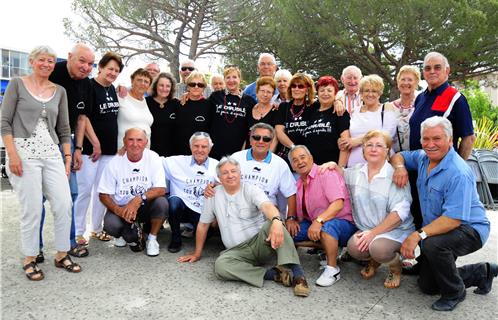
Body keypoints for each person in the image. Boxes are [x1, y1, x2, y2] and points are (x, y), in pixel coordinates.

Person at [392, 116, 496, 311]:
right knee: (428, 286)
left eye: (437, 139)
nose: (430, 144)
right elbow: (399, 156)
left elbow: (453, 220)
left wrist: (417, 235)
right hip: (443, 227)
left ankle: (455, 292)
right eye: (426, 139)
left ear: (450, 139)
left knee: (432, 243)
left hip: (468, 228)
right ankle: (481, 272)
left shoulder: (458, 172)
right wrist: (399, 167)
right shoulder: (423, 157)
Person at [1, 45, 81, 280]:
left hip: (52, 154)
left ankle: (61, 254)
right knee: (32, 208)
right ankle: (29, 257)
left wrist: (67, 158)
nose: (46, 64)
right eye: (41, 60)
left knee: (64, 204)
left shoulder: (59, 91)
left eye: (50, 61)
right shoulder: (17, 84)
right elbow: (4, 122)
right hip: (23, 154)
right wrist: (12, 155)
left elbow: (65, 129)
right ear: (32, 62)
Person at [178, 157, 310, 297]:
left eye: (233, 171)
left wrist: (277, 221)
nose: (230, 175)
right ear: (219, 177)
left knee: (274, 223)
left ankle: (298, 275)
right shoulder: (213, 195)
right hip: (237, 251)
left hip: (262, 244)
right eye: (225, 173)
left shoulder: (251, 189)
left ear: (240, 173)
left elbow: (267, 206)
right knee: (220, 266)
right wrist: (197, 253)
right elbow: (203, 225)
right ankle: (273, 274)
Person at [407, 52, 476, 230]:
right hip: (419, 168)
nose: (432, 72)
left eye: (437, 67)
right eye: (427, 68)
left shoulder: (456, 99)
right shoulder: (421, 98)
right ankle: (423, 257)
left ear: (447, 70)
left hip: (441, 172)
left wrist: (455, 165)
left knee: (438, 220)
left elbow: (468, 137)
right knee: (418, 215)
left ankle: (439, 257)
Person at [340, 130, 414, 289]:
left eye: (379, 145)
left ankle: (395, 266)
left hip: (395, 229)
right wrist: (331, 165)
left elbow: (399, 213)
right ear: (363, 151)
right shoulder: (355, 172)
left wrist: (373, 234)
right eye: (369, 145)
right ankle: (374, 260)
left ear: (387, 151)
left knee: (378, 248)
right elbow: (338, 173)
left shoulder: (395, 175)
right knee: (354, 248)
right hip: (367, 229)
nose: (374, 149)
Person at [48, 43, 95, 258]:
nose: (86, 67)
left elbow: (81, 117)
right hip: (44, 142)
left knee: (72, 193)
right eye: (82, 61)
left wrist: (78, 148)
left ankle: (68, 243)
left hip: (68, 142)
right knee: (39, 199)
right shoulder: (51, 73)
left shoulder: (85, 84)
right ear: (69, 57)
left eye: (90, 64)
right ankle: (35, 249)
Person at [288, 145, 356, 287]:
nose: (300, 162)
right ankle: (328, 249)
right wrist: (292, 220)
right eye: (295, 160)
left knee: (327, 227)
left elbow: (338, 204)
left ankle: (333, 269)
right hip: (317, 223)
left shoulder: (325, 173)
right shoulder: (299, 183)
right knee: (289, 232)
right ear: (293, 167)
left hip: (343, 223)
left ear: (311, 158)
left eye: (302, 157)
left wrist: (318, 221)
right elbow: (303, 215)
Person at [73, 52, 123, 245]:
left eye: (117, 71)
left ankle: (96, 229)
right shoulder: (89, 86)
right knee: (84, 190)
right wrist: (95, 142)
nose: (112, 73)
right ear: (100, 67)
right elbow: (82, 118)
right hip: (90, 150)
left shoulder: (112, 90)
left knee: (102, 191)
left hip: (109, 151)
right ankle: (78, 232)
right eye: (110, 68)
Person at [98, 128, 168, 256]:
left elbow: (161, 189)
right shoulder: (114, 162)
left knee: (162, 203)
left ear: (146, 142)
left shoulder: (153, 157)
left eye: (139, 140)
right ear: (124, 141)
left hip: (145, 205)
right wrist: (118, 210)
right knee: (111, 226)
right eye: (130, 140)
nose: (135, 144)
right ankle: (123, 235)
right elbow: (103, 195)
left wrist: (137, 199)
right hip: (122, 207)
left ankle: (152, 239)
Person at [163, 132, 218, 253]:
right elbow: (153, 161)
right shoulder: (176, 161)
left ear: (210, 148)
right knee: (173, 201)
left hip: (202, 211)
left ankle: (194, 230)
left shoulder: (217, 166)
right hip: (181, 207)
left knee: (208, 234)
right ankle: (175, 238)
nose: (199, 150)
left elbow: (226, 188)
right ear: (190, 146)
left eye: (204, 147)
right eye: (196, 146)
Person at [231, 123, 297, 219]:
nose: (261, 141)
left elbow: (291, 193)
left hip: (267, 214)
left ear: (271, 142)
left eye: (266, 139)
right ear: (250, 140)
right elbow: (220, 183)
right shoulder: (236, 158)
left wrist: (291, 218)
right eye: (256, 137)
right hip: (239, 211)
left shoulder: (280, 164)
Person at [341, 74, 399, 167]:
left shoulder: (386, 108)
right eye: (367, 90)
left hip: (379, 164)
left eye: (374, 91)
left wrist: (358, 140)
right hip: (355, 165)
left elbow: (387, 135)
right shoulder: (354, 111)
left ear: (379, 93)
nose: (370, 94)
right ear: (361, 93)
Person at [208, 66, 256, 159]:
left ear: (239, 79)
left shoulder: (249, 101)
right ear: (224, 80)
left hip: (237, 152)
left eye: (234, 77)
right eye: (228, 77)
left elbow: (251, 128)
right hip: (214, 150)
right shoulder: (216, 96)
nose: (231, 80)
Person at [303, 75, 350, 166]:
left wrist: (340, 168)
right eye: (322, 90)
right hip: (311, 169)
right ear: (318, 93)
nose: (325, 93)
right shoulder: (311, 110)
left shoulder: (339, 112)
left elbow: (345, 143)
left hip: (331, 167)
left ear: (335, 93)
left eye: (329, 90)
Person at [275, 73, 315, 163]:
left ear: (307, 90)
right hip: (287, 154)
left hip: (308, 156)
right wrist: (294, 148)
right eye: (293, 86)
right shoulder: (283, 106)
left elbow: (329, 102)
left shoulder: (314, 106)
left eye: (300, 86)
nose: (296, 89)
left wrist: (338, 102)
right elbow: (279, 131)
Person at [173, 71, 211, 155]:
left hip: (199, 155)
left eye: (200, 85)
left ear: (204, 87)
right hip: (178, 153)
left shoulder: (210, 106)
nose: (196, 87)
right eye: (192, 84)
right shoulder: (178, 104)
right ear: (188, 86)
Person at [117, 68, 154, 149]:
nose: (142, 83)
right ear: (132, 80)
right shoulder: (121, 96)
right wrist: (120, 85)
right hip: (124, 151)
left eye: (146, 81)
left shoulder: (145, 101)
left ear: (149, 85)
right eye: (139, 80)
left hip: (144, 153)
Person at [146, 72, 180, 157]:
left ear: (171, 88)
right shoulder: (146, 102)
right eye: (161, 85)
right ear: (155, 86)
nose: (164, 89)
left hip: (172, 153)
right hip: (150, 152)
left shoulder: (177, 104)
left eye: (168, 86)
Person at [391, 66, 421, 152]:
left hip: (418, 157)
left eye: (410, 80)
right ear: (398, 82)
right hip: (394, 158)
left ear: (416, 83)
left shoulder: (421, 106)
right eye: (403, 79)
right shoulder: (389, 107)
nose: (406, 83)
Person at [246, 77, 280, 150]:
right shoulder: (249, 109)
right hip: (248, 153)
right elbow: (245, 136)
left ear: (273, 94)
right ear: (257, 92)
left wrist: (268, 157)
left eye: (268, 92)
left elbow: (275, 138)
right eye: (262, 91)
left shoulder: (276, 111)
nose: (265, 94)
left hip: (266, 154)